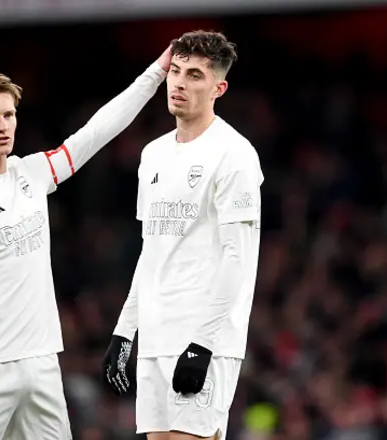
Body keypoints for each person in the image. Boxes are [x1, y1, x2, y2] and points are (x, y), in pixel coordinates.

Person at [0, 46, 172, 439]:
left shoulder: (33, 173)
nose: (2, 125)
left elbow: (97, 132)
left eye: (8, 114)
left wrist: (156, 72)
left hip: (41, 364)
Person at [103, 31, 263, 440]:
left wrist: (204, 344)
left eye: (194, 75)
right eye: (175, 71)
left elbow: (238, 259)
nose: (179, 83)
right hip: (156, 336)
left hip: (201, 337)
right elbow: (152, 251)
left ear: (218, 88)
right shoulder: (153, 154)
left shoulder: (235, 154)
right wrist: (125, 331)